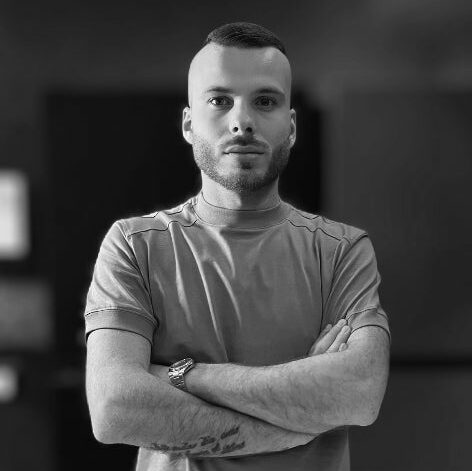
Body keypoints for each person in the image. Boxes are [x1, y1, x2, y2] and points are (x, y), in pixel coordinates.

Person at [84, 22, 390, 471]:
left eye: (265, 101)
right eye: (219, 101)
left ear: (291, 126)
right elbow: (115, 409)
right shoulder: (134, 245)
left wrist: (184, 375)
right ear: (189, 124)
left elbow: (359, 393)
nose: (242, 121)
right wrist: (296, 419)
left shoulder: (342, 251)